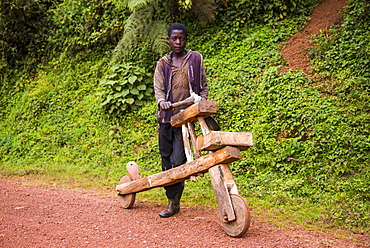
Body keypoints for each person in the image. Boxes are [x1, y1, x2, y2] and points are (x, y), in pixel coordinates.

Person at [154, 23, 209, 218]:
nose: (178, 42)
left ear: (186, 39)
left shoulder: (195, 58)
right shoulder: (162, 64)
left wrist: (200, 102)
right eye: (174, 38)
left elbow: (203, 86)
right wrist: (162, 102)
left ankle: (173, 203)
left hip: (185, 120)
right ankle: (172, 200)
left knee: (178, 161)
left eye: (182, 38)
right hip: (167, 119)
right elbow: (159, 89)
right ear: (168, 40)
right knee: (166, 160)